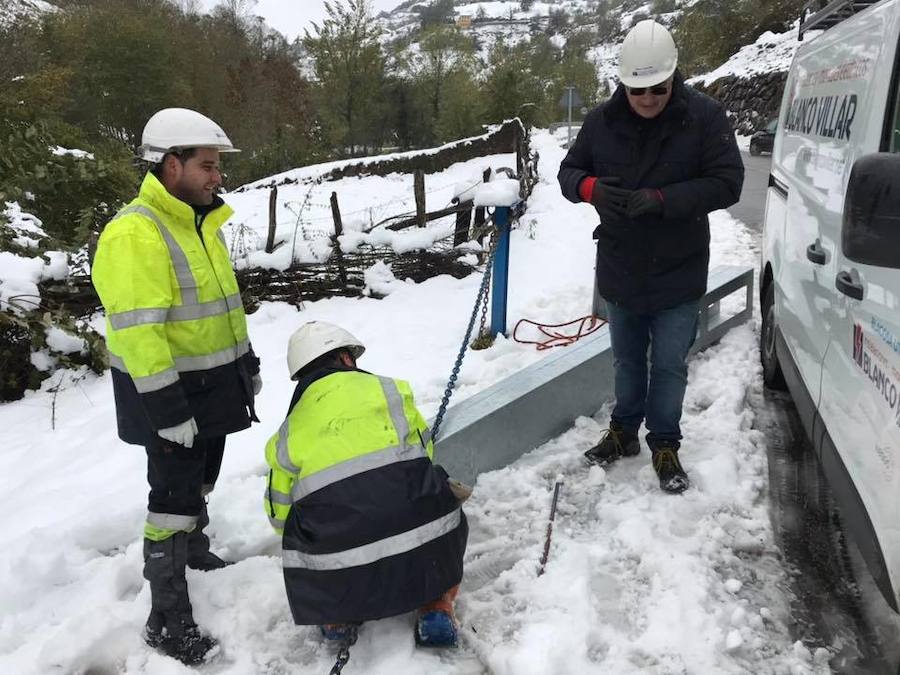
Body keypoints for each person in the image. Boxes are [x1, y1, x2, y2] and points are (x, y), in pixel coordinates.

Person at [91, 108, 262, 663]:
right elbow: (139, 334)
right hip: (168, 397)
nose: (218, 176)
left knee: (199, 484)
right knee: (171, 499)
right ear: (172, 164)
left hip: (211, 388)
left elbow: (220, 311)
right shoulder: (136, 233)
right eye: (208, 165)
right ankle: (166, 617)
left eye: (217, 167)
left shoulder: (198, 222)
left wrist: (246, 365)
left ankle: (194, 555)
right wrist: (167, 411)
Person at [557, 20, 744, 494]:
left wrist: (664, 200)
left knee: (668, 364)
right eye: (638, 91)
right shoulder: (602, 121)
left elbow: (728, 182)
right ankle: (623, 432)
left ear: (674, 77)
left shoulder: (704, 118)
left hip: (678, 269)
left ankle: (664, 442)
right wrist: (591, 187)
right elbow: (567, 172)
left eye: (658, 90)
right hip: (621, 265)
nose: (647, 100)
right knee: (626, 361)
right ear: (623, 83)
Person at [263, 321, 468, 647]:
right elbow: (424, 454)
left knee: (305, 538)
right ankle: (435, 606)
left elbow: (279, 516)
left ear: (301, 377)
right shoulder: (392, 391)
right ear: (345, 359)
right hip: (419, 534)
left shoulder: (287, 433)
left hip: (341, 561)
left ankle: (337, 618)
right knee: (439, 487)